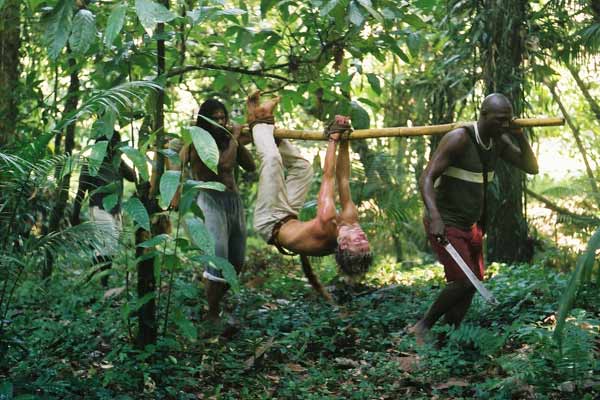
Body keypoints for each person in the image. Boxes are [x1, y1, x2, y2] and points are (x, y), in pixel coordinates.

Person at [410, 93, 539, 344]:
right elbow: (426, 178)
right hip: (446, 222)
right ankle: (423, 326)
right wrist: (435, 217)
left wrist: (520, 135)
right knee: (463, 280)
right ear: (483, 115)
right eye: (500, 120)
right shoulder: (458, 138)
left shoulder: (499, 141)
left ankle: (447, 336)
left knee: (472, 283)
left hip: (473, 225)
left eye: (508, 120)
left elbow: (531, 167)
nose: (504, 125)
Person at [247, 91, 372, 300]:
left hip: (269, 222)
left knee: (271, 161)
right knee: (302, 167)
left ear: (342, 244)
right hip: (289, 215)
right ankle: (267, 131)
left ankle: (259, 123)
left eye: (356, 240)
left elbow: (328, 178)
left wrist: (333, 139)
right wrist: (345, 140)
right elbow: (343, 179)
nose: (360, 234)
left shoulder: (326, 223)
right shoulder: (349, 221)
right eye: (364, 239)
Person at [174, 99, 256, 323]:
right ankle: (212, 313)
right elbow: (224, 166)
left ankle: (214, 303)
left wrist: (236, 141)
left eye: (223, 117)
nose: (220, 121)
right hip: (210, 201)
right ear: (205, 120)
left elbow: (250, 166)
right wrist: (235, 137)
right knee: (217, 260)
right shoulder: (198, 143)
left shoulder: (228, 141)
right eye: (215, 118)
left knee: (235, 264)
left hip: (233, 202)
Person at [71, 131, 137, 287]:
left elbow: (132, 177)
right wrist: (74, 213)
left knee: (108, 248)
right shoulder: (91, 162)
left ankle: (96, 281)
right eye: (113, 143)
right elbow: (81, 190)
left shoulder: (117, 161)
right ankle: (100, 284)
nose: (115, 146)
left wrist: (129, 156)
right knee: (106, 249)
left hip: (115, 211)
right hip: (99, 209)